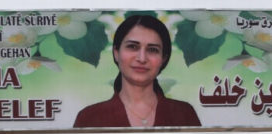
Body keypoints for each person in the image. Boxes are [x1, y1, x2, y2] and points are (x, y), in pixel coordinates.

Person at [73, 14, 201, 128]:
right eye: (132, 47)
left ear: (164, 58)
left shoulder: (184, 114)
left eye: (152, 49)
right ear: (116, 52)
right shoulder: (89, 118)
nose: (142, 58)